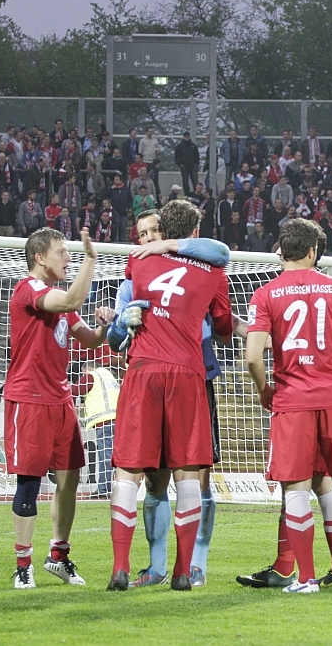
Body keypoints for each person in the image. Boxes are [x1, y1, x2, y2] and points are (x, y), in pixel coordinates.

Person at [106, 209, 238, 588]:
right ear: (195, 230)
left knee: (129, 472)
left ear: (163, 232)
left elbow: (117, 336)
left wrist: (122, 323)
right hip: (187, 374)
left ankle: (120, 566)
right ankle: (183, 571)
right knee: (189, 475)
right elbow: (224, 328)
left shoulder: (138, 261)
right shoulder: (215, 272)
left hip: (143, 370)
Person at [245, 218, 332, 594]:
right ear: (312, 251)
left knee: (297, 490)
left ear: (281, 250)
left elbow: (252, 356)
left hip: (293, 401)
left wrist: (264, 390)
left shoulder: (266, 294)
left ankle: (305, 578)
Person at [5, 228, 114, 589]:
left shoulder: (60, 303)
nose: (67, 258)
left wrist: (103, 326)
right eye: (61, 252)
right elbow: (68, 301)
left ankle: (58, 556)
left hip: (61, 400)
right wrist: (90, 260)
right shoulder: (29, 289)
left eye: (70, 252)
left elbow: (91, 340)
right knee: (29, 481)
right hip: (29, 399)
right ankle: (23, 564)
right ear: (40, 257)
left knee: (70, 479)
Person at [77, 363, 121, 497]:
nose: (83, 375)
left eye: (83, 372)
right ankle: (111, 488)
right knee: (113, 456)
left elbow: (75, 390)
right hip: (118, 420)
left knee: (105, 456)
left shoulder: (92, 376)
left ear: (88, 369)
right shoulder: (110, 377)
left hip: (104, 420)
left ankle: (104, 490)